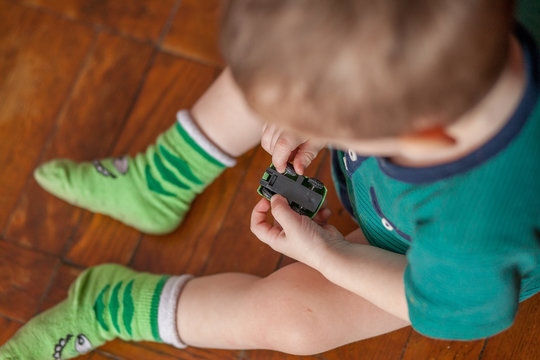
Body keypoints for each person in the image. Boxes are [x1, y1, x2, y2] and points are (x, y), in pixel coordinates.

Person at [2, 0, 540, 358]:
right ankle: (156, 183)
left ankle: (106, 304)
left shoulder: (475, 230)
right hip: (393, 165)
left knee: (295, 322)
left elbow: (453, 313)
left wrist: (335, 257)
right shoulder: (455, 44)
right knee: (276, 65)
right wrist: (320, 117)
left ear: (422, 138)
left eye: (332, 126)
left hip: (413, 263)